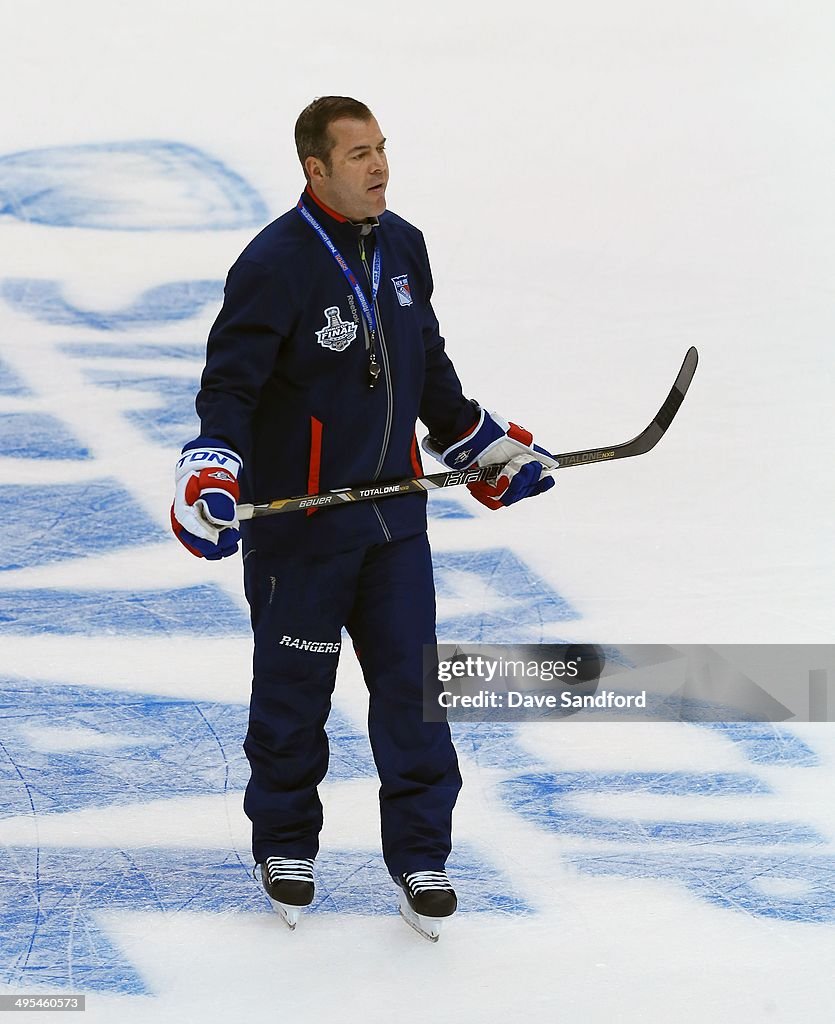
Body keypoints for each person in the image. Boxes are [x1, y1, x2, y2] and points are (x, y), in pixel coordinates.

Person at [170, 96, 555, 940]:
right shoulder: (274, 262)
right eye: (357, 155)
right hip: (302, 534)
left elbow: (429, 369)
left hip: (393, 526)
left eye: (382, 149)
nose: (378, 166)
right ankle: (284, 843)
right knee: (291, 700)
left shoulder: (405, 246)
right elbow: (229, 384)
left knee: (414, 698)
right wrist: (211, 463)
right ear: (315, 169)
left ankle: (420, 855)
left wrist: (478, 446)